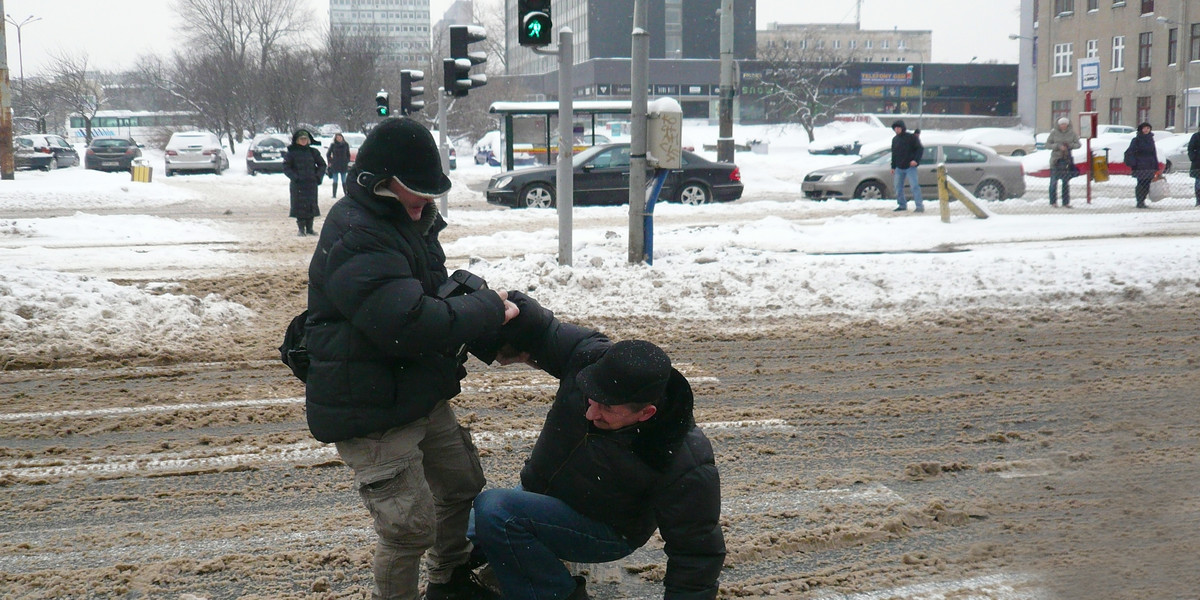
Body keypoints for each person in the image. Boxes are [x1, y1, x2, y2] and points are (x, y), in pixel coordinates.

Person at [304, 117, 520, 600]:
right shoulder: (357, 232)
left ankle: (448, 580)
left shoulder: (410, 220)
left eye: (429, 190)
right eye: (414, 190)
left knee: (462, 483)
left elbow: (430, 296)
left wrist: (489, 329)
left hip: (415, 388)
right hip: (370, 405)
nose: (424, 200)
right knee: (407, 529)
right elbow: (405, 323)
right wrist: (485, 309)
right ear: (376, 181)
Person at [469, 293, 726, 600]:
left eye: (606, 409)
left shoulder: (684, 456)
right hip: (541, 495)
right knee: (460, 537)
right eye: (591, 398)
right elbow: (544, 330)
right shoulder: (589, 357)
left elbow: (697, 553)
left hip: (604, 530)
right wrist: (508, 310)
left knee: (497, 512)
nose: (591, 413)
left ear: (645, 413)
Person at [283, 128, 327, 236]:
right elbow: (286, 167)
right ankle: (301, 229)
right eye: (301, 139)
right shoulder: (291, 153)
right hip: (298, 185)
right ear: (297, 140)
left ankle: (310, 228)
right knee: (299, 206)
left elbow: (322, 165)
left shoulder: (313, 152)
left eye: (305, 139)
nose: (303, 141)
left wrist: (318, 177)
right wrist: (295, 177)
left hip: (311, 184)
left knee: (311, 205)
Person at [890, 119, 924, 212]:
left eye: (898, 128)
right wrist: (893, 166)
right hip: (899, 167)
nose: (896, 130)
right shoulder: (895, 139)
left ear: (902, 128)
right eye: (895, 128)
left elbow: (920, 149)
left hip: (910, 167)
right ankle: (902, 205)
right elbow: (894, 154)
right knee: (898, 187)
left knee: (914, 186)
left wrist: (916, 160)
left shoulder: (911, 137)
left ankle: (919, 206)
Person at [1046, 117, 1081, 207]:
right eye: (1061, 124)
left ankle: (1065, 202)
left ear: (1068, 124)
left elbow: (1078, 144)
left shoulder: (1072, 133)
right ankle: (1053, 202)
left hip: (1066, 161)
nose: (1063, 126)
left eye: (1065, 124)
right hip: (1055, 161)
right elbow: (1047, 145)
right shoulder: (1054, 133)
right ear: (1058, 125)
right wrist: (1057, 146)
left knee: (1065, 183)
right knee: (1053, 182)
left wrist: (1069, 145)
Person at [1123, 122, 1159, 209]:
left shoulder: (1151, 139)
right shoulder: (1136, 140)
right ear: (1141, 129)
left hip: (1150, 166)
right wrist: (1134, 163)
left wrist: (1156, 166)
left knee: (1147, 184)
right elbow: (1130, 152)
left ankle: (1143, 200)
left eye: (1148, 128)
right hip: (1140, 166)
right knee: (1141, 184)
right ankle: (1139, 201)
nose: (1146, 130)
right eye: (1144, 128)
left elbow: (1153, 153)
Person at [326, 132, 351, 199]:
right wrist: (331, 161)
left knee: (344, 180)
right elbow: (328, 154)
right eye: (337, 137)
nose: (339, 138)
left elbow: (348, 154)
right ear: (335, 139)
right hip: (335, 164)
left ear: (342, 137)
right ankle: (334, 194)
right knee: (335, 180)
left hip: (343, 165)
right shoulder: (333, 145)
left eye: (340, 137)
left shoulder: (346, 144)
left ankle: (346, 194)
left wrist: (347, 160)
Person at [1187, 128, 1200, 207]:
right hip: (1198, 163)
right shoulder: (1196, 136)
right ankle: (1198, 200)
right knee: (1198, 183)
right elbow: (1190, 148)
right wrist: (1194, 158)